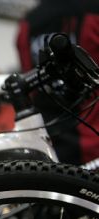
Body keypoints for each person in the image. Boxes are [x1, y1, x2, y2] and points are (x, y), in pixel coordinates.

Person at [16, 0, 99, 164]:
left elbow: (28, 75)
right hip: (91, 138)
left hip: (46, 140)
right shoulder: (93, 10)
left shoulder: (28, 21)